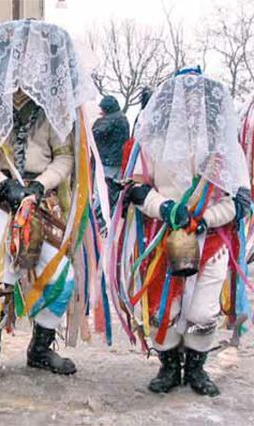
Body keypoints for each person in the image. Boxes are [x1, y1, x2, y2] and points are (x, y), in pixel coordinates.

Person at [0, 20, 108, 379]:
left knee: (62, 278)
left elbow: (67, 156)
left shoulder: (56, 105)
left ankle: (40, 348)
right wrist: (3, 186)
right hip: (0, 198)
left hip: (43, 200)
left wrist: (40, 185)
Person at [112, 69, 251, 397]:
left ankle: (197, 367)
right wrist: (165, 209)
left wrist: (207, 219)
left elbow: (242, 198)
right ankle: (169, 366)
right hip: (162, 238)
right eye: (183, 99)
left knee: (203, 312)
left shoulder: (224, 146)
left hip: (212, 239)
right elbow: (135, 189)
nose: (190, 106)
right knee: (164, 311)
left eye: (197, 100)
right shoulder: (152, 142)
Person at [92, 95, 129, 181]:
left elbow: (96, 134)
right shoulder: (123, 118)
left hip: (107, 162)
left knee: (102, 189)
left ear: (106, 108)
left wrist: (97, 122)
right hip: (119, 161)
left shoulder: (110, 120)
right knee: (114, 189)